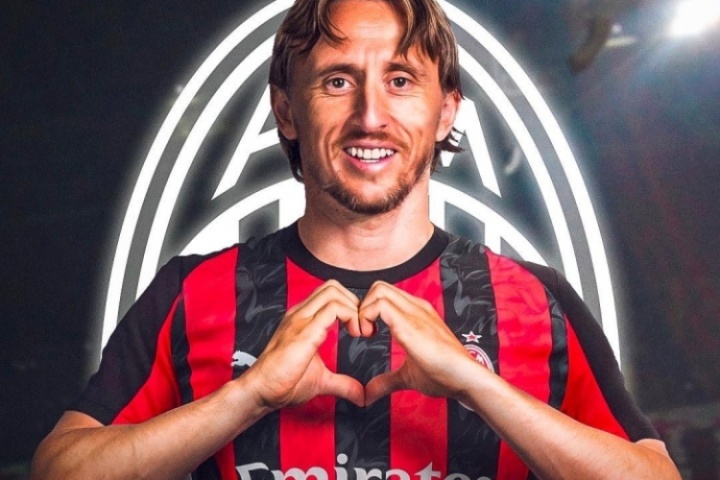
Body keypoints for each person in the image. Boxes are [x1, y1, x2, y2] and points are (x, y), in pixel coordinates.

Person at [31, 0, 681, 479]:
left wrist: (475, 383)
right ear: (286, 109)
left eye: (401, 81)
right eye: (337, 80)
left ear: (446, 110)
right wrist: (246, 396)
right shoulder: (194, 291)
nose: (370, 116)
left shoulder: (537, 300)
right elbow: (60, 470)